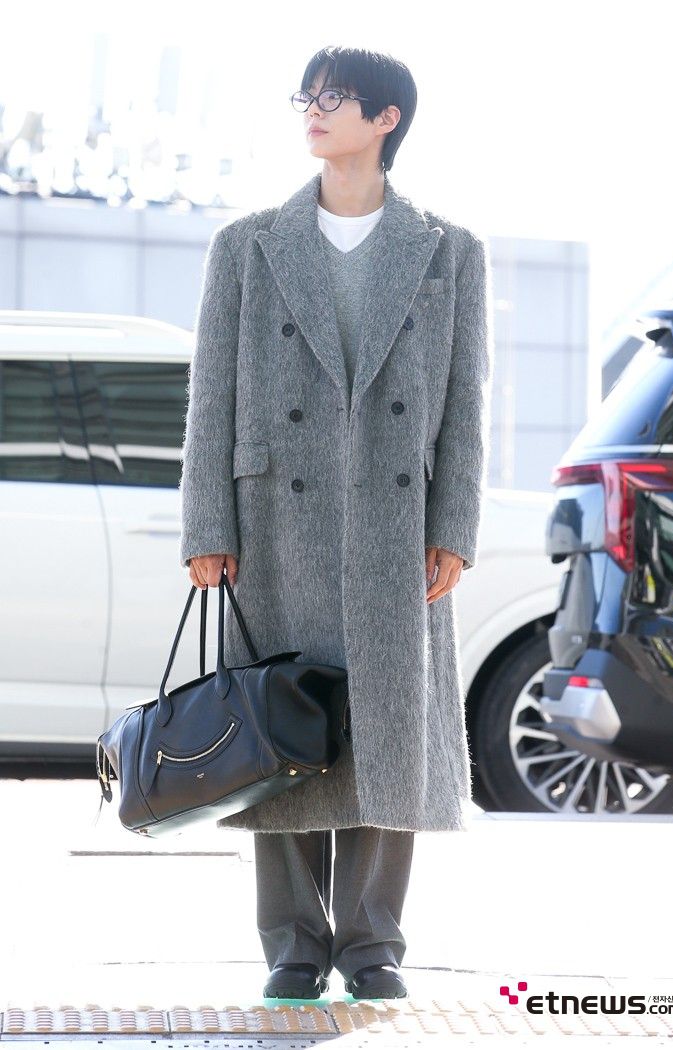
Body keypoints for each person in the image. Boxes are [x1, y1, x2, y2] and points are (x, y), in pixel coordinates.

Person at [179, 45, 493, 1001]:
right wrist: (207, 523)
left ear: (386, 118)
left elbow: (467, 401)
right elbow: (211, 394)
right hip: (277, 516)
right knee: (277, 724)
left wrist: (455, 525)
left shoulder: (448, 250)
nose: (313, 111)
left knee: (387, 729)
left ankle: (371, 945)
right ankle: (292, 943)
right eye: (306, 96)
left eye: (335, 97)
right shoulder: (248, 244)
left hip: (398, 520)